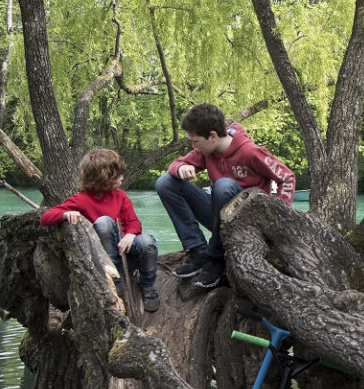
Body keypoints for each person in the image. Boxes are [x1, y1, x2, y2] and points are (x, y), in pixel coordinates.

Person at [156, 103, 296, 289]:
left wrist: (277, 215)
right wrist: (181, 167)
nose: (193, 146)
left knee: (223, 185)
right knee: (165, 182)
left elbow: (287, 178)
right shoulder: (205, 152)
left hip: (249, 222)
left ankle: (216, 258)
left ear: (212, 136)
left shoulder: (250, 152)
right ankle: (198, 251)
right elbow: (176, 163)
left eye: (195, 141)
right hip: (219, 217)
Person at [40, 148, 160, 312]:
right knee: (104, 223)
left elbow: (134, 222)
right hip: (106, 258)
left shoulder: (120, 196)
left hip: (126, 251)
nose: (122, 177)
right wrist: (66, 214)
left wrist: (130, 235)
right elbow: (45, 217)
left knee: (147, 241)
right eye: (118, 175)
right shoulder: (81, 199)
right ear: (105, 178)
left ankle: (148, 286)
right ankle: (116, 280)